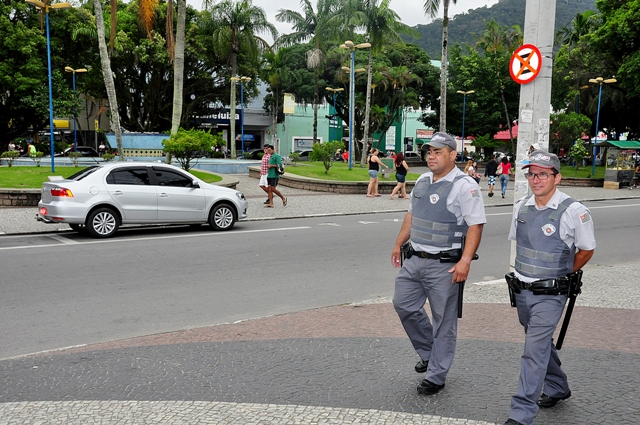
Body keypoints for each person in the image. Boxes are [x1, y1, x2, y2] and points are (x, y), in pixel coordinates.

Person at [503, 149, 595, 425]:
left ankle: (521, 414)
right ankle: (557, 386)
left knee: (533, 350)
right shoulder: (520, 207)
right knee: (540, 343)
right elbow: (519, 245)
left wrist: (561, 273)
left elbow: (586, 250)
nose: (536, 179)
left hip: (551, 294)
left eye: (543, 174)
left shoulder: (574, 211)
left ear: (557, 178)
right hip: (521, 291)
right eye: (532, 174)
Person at [391, 132, 486, 396]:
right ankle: (430, 353)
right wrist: (398, 244)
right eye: (429, 152)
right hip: (414, 259)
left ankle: (436, 375)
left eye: (438, 152)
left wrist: (465, 260)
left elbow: (476, 225)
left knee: (444, 320)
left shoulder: (464, 186)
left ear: (453, 155)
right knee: (403, 304)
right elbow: (411, 216)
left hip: (444, 265)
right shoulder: (421, 181)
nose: (431, 156)